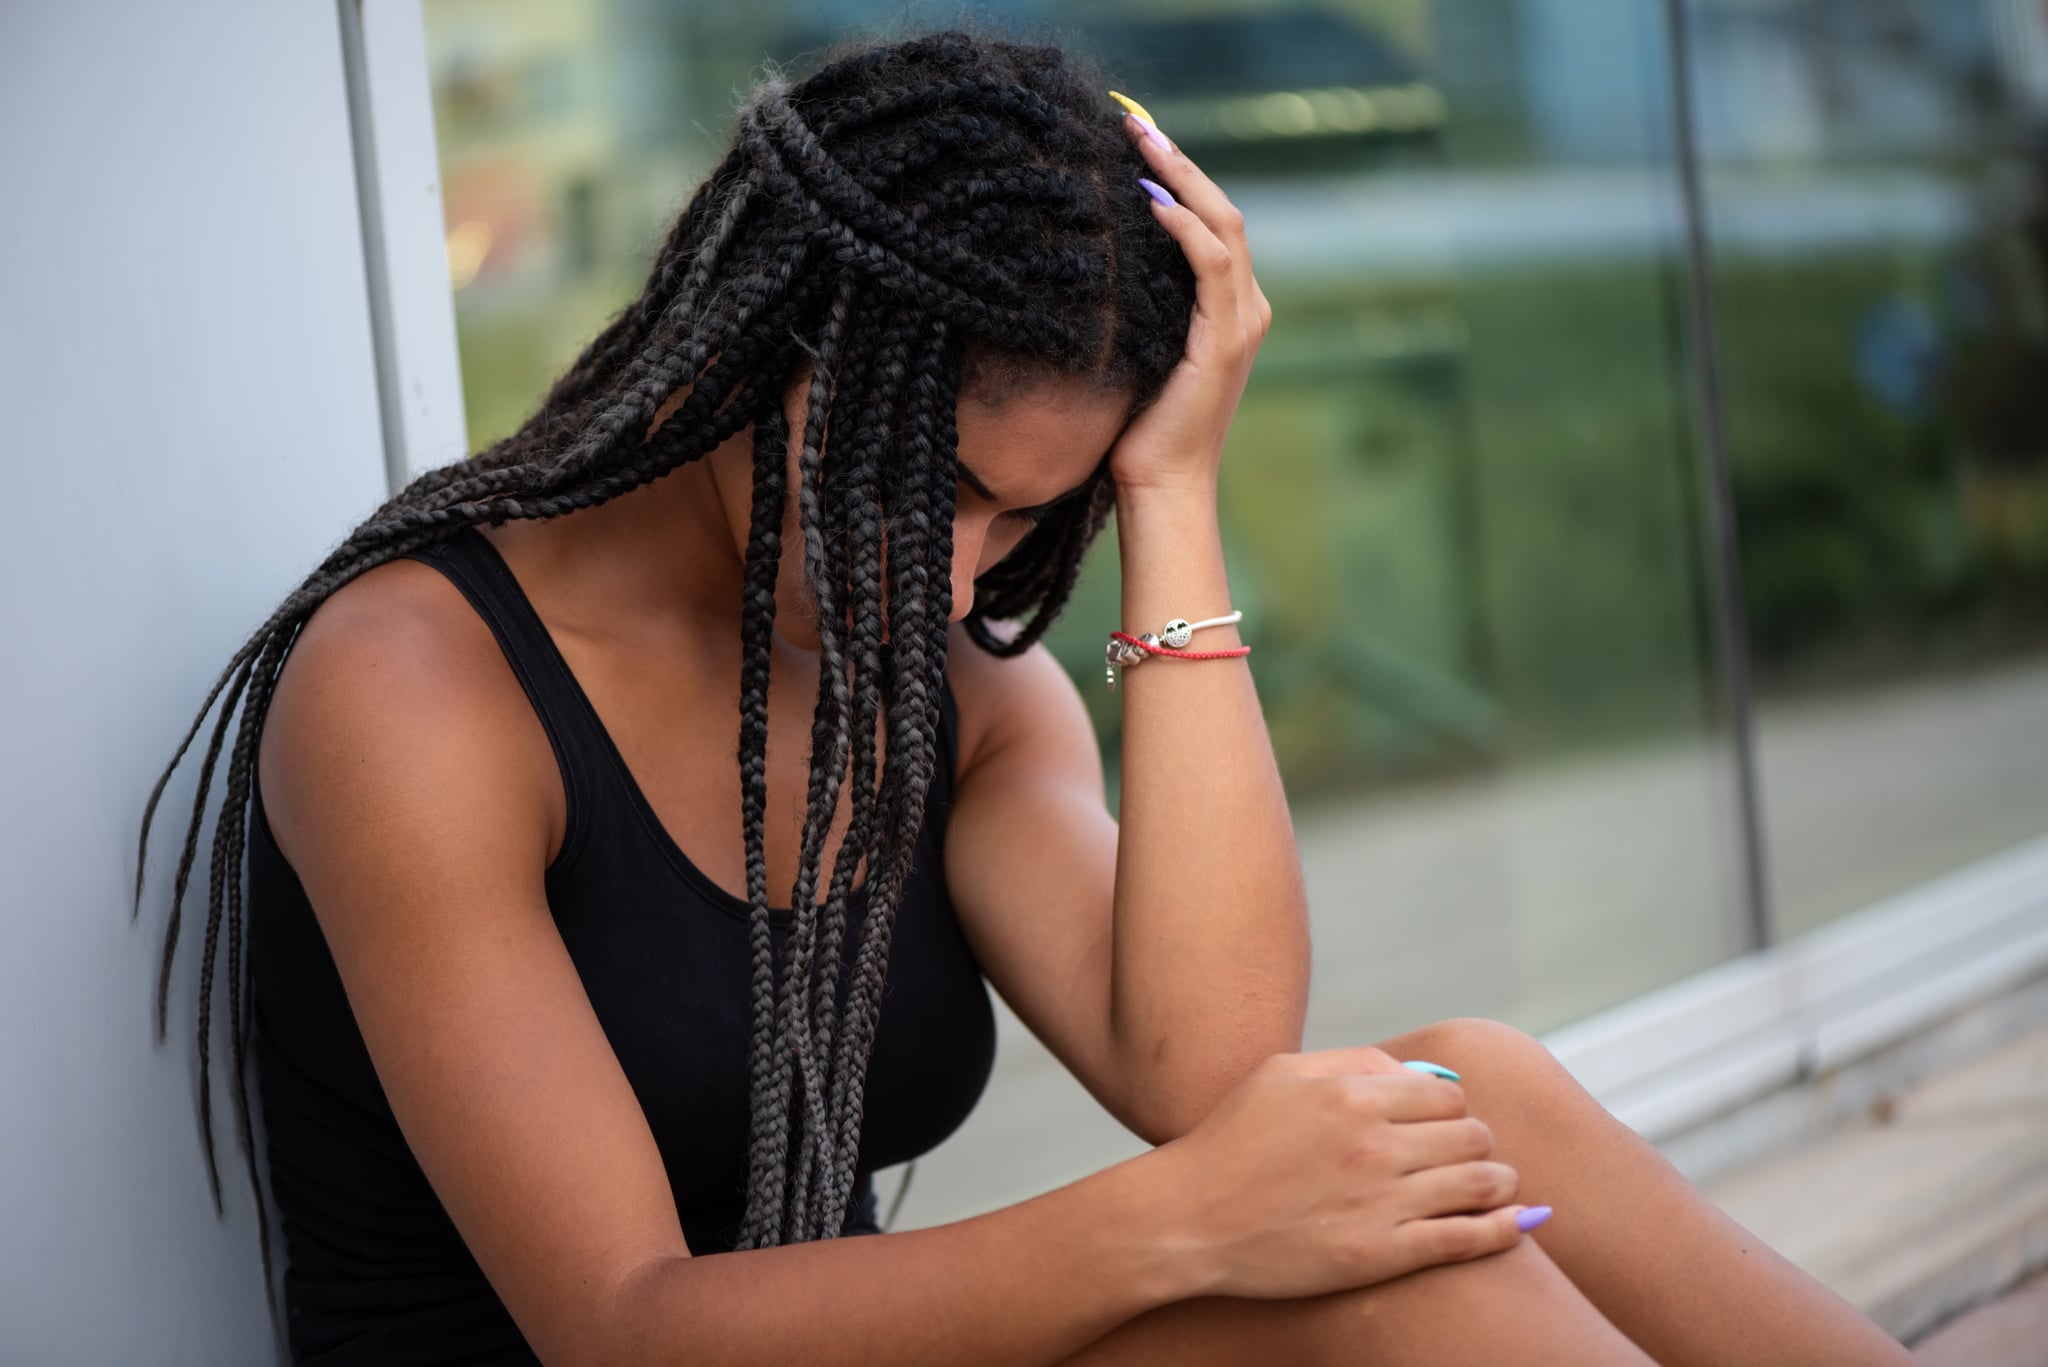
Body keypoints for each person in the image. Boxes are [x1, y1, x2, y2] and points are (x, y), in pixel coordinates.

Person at [139, 30, 1916, 1367]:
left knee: (1472, 1103)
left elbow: (1203, 1070)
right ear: (770, 349)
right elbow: (625, 1324)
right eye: (935, 485)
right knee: (1403, 1235)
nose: (965, 571)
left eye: (1029, 513)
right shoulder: (417, 691)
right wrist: (1194, 1227)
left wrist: (1173, 499)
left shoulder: (955, 692)